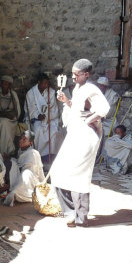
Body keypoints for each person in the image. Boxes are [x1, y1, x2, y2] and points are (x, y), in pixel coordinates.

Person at [52, 59, 110, 227]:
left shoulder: (92, 89)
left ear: (86, 74)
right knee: (58, 172)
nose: (73, 77)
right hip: (75, 136)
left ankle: (80, 217)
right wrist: (66, 101)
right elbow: (78, 110)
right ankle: (71, 213)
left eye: (76, 74)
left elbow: (103, 109)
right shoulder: (78, 89)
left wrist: (88, 121)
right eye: (72, 74)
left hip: (86, 138)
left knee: (79, 175)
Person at [3, 130, 45, 206]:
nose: (21, 141)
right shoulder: (20, 151)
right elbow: (18, 164)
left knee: (26, 174)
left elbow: (34, 172)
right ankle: (12, 190)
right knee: (11, 162)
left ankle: (15, 193)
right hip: (21, 175)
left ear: (31, 143)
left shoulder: (33, 153)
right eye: (20, 139)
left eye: (24, 139)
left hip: (30, 180)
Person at [25, 73, 60, 163]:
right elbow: (30, 108)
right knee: (38, 130)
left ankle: (51, 155)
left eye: (47, 83)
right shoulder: (31, 93)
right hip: (36, 119)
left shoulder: (51, 92)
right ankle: (39, 155)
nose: (46, 86)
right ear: (39, 82)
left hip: (49, 118)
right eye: (44, 83)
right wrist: (38, 116)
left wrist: (47, 117)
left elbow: (54, 108)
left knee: (54, 130)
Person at [0, 75, 21, 157]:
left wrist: (11, 115)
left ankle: (5, 151)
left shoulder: (13, 94)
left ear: (10, 85)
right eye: (3, 83)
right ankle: (8, 150)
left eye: (6, 84)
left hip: (11, 120)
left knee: (5, 123)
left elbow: (17, 111)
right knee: (3, 123)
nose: (4, 86)